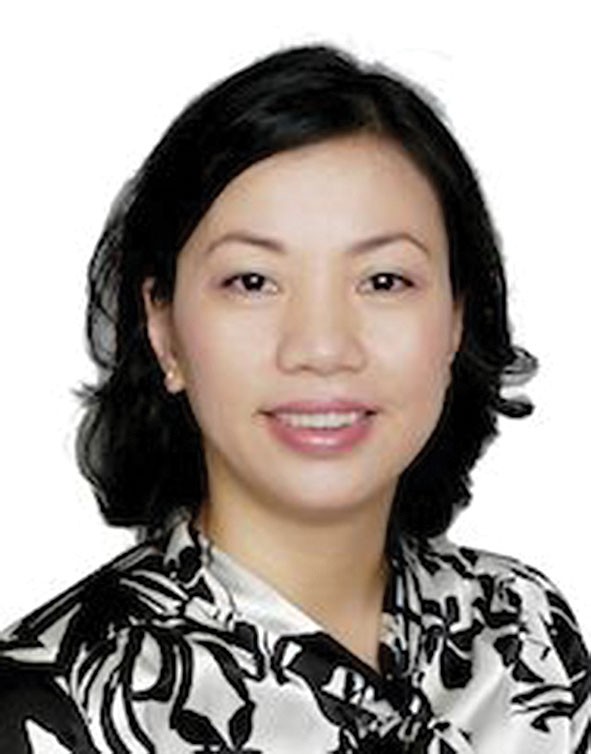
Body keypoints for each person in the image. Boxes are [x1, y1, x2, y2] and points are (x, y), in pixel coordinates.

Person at [0, 42, 589, 754]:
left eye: (383, 281)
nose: (321, 346)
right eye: (252, 281)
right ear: (164, 329)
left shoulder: (523, 632)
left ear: (457, 319)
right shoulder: (52, 702)